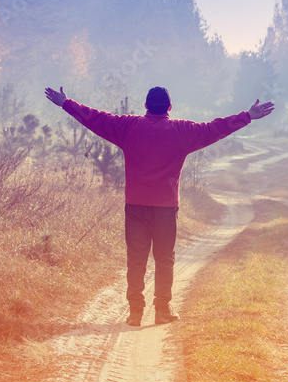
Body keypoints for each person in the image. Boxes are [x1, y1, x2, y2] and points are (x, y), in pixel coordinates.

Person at [44, 85, 274, 326]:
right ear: (170, 108)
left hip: (135, 206)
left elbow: (96, 119)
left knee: (136, 258)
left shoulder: (128, 126)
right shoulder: (183, 131)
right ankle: (162, 310)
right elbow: (214, 128)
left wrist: (66, 103)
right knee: (164, 258)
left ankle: (135, 312)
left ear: (145, 106)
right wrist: (248, 116)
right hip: (165, 208)